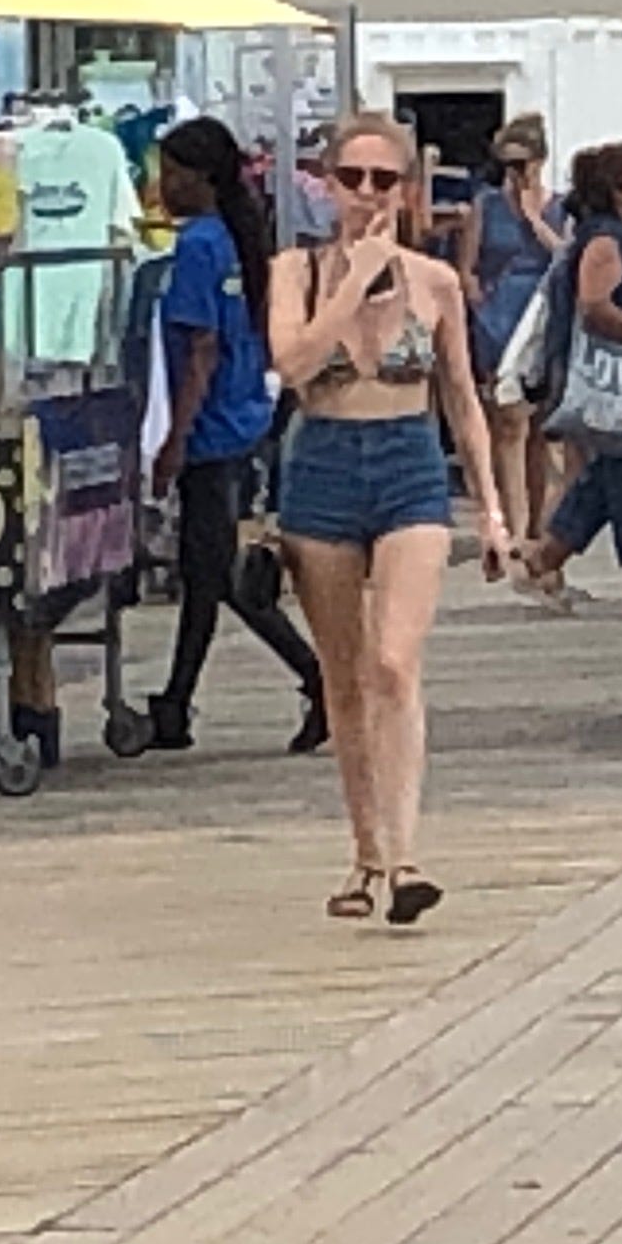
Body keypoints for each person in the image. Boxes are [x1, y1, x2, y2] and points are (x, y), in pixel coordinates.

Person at [265, 107, 507, 926]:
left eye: (383, 180)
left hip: (407, 462)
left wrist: (496, 512)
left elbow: (465, 402)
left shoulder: (434, 283)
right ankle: (364, 851)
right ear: (325, 185)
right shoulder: (294, 271)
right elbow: (293, 366)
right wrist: (350, 283)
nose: (366, 193)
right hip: (325, 462)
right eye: (350, 178)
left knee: (395, 662)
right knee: (343, 674)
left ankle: (405, 857)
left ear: (407, 190)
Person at [143, 117, 323, 757]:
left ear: (201, 179)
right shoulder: (236, 242)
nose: (163, 185)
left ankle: (315, 675)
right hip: (244, 417)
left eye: (172, 174)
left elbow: (200, 349)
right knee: (203, 571)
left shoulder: (196, 247)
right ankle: (174, 702)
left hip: (210, 430)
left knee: (216, 573)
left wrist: (173, 440)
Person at [513, 142, 622, 613]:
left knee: (609, 476)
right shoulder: (607, 243)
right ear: (620, 187)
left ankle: (546, 557)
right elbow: (594, 306)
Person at [444, 114, 568, 574]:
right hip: (500, 318)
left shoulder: (560, 208)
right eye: (509, 165)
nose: (516, 175)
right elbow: (467, 267)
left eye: (523, 164)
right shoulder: (486, 205)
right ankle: (514, 528)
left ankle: (537, 526)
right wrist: (477, 302)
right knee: (509, 425)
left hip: (543, 317)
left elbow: (567, 258)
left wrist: (535, 218)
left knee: (541, 432)